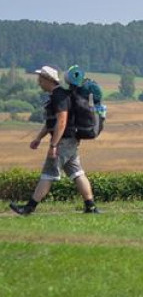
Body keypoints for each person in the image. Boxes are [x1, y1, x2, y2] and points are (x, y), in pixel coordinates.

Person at [9, 66, 100, 215]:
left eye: (40, 79)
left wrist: (53, 145)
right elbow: (51, 122)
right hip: (70, 141)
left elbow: (62, 121)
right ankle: (91, 207)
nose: (39, 82)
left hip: (63, 142)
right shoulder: (57, 95)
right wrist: (38, 138)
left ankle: (28, 208)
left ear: (48, 80)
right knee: (77, 172)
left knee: (48, 174)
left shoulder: (59, 96)